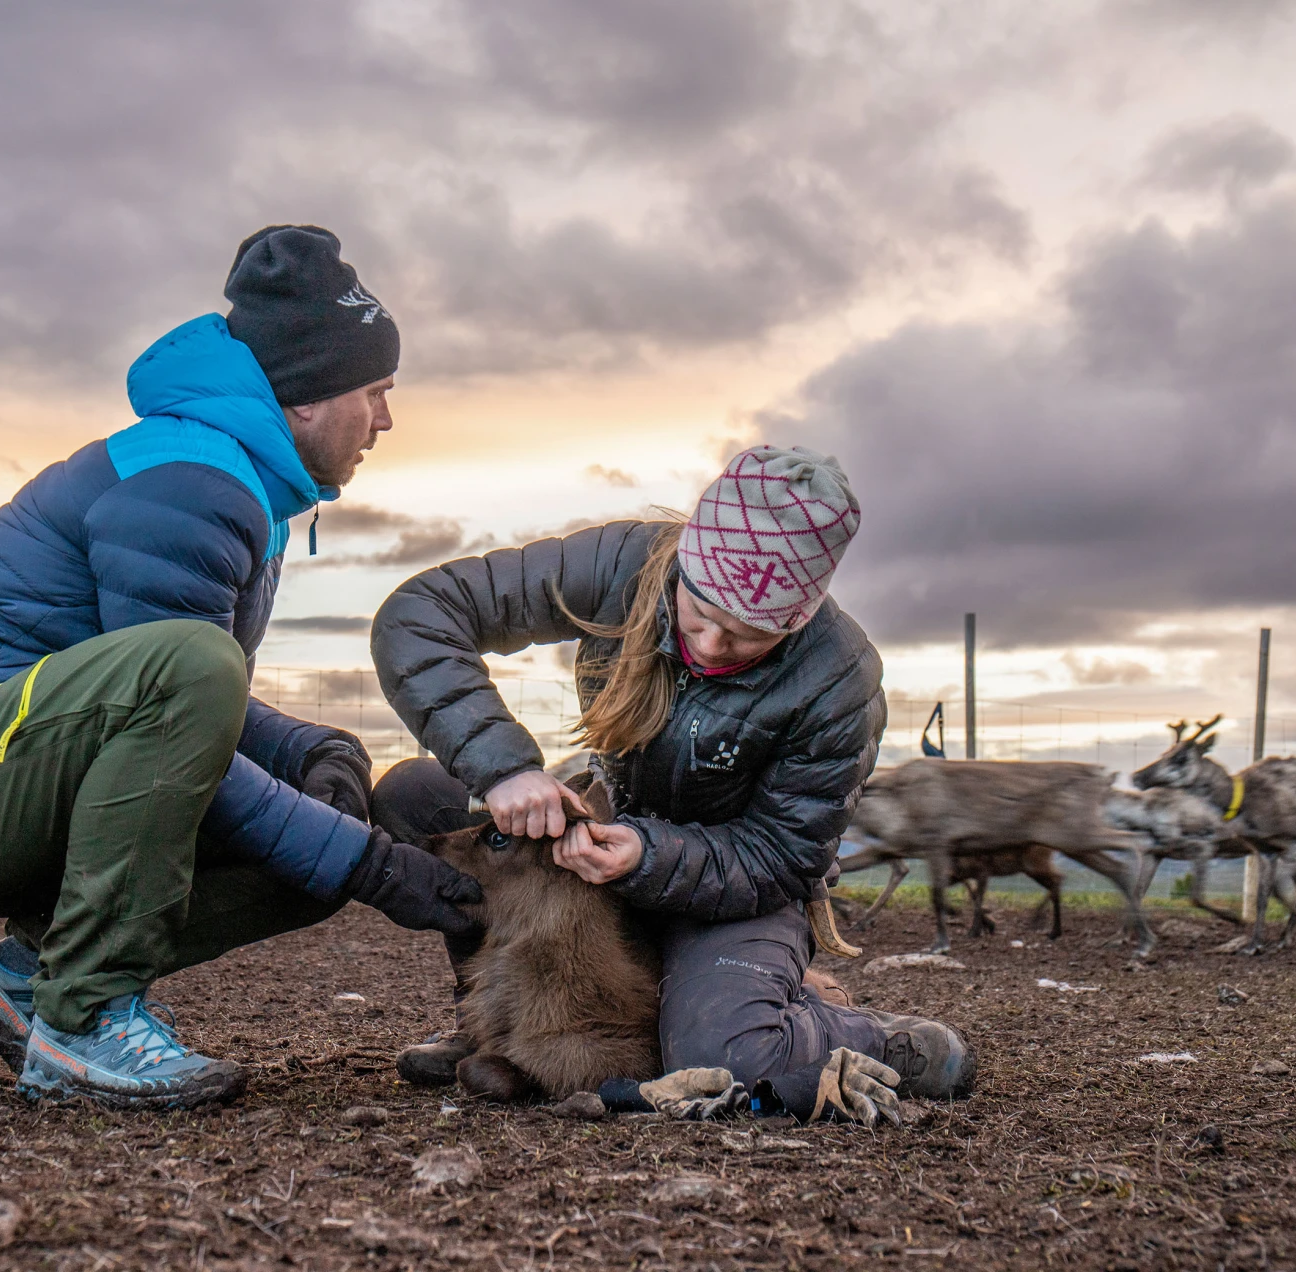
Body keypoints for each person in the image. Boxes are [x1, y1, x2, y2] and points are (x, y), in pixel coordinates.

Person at [0, 226, 481, 1111]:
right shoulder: (189, 484)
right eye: (377, 391)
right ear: (305, 399)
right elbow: (179, 684)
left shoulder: (235, 484)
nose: (387, 419)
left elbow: (174, 712)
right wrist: (370, 865)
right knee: (312, 823)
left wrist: (312, 753)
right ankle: (85, 1018)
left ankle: (26, 978)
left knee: (319, 818)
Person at [368, 445, 976, 1123]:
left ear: (800, 619)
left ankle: (862, 1034)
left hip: (729, 890)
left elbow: (781, 856)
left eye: (749, 636)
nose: (714, 645)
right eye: (702, 611)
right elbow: (419, 615)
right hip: (600, 841)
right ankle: (496, 1027)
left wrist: (648, 854)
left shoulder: (838, 680)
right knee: (414, 798)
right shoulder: (620, 567)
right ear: (685, 562)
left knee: (721, 1060)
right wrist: (504, 766)